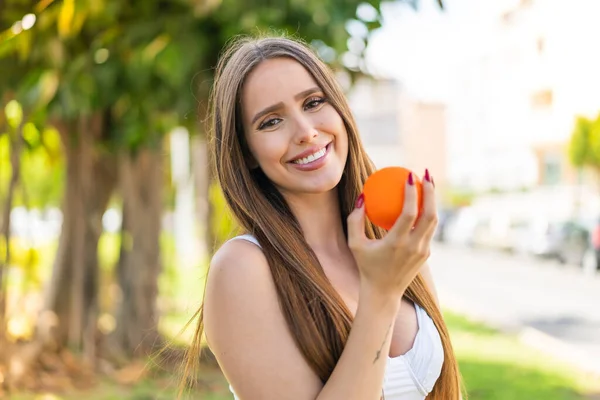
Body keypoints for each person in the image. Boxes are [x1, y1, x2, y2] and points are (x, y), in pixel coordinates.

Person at [180, 35, 464, 400]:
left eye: (313, 102)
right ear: (247, 152)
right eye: (271, 122)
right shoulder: (243, 269)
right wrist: (381, 293)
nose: (306, 132)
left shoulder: (392, 241)